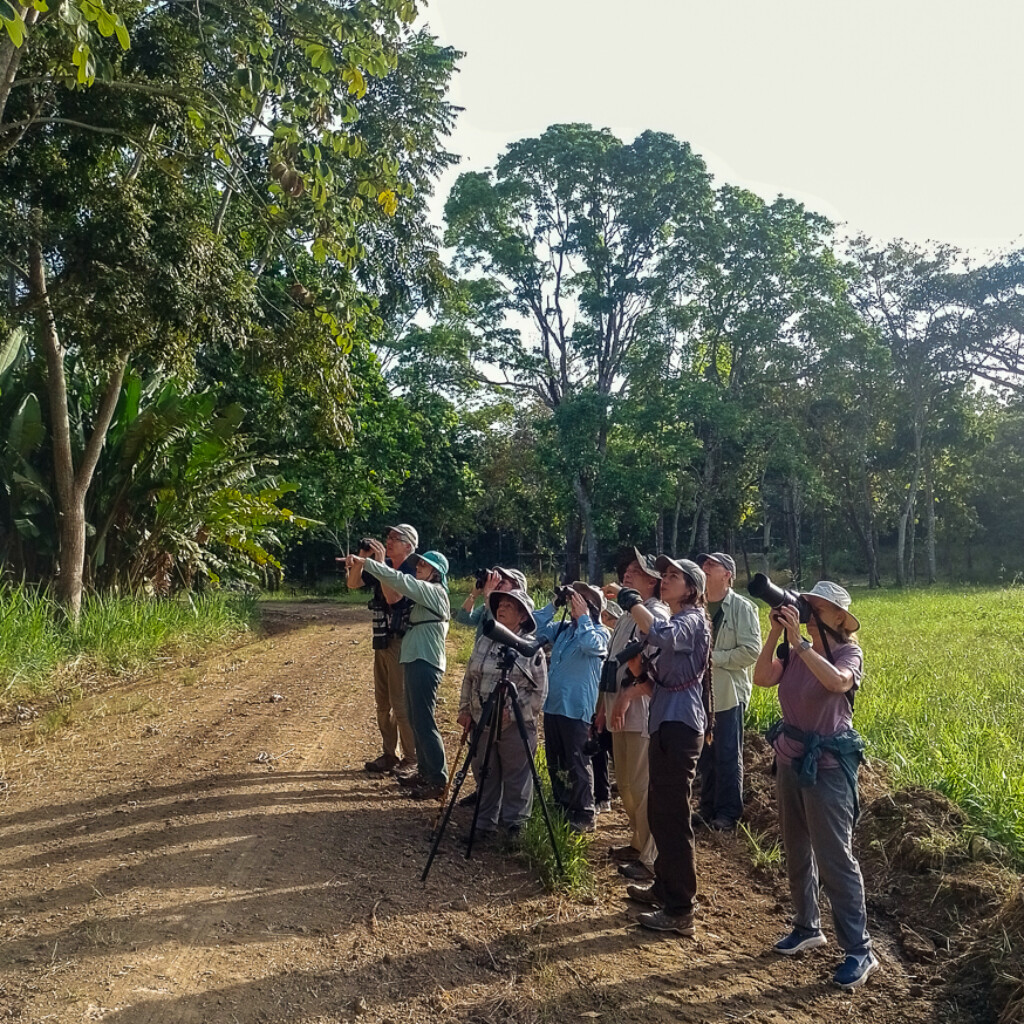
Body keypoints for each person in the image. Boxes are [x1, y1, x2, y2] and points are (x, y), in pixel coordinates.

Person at [752, 581, 879, 991]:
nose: (806, 611)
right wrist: (776, 633)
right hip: (790, 759)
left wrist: (801, 645)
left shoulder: (848, 652)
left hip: (827, 766)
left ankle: (860, 950)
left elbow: (838, 683)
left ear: (838, 618)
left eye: (816, 608)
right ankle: (807, 926)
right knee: (796, 847)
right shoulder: (793, 651)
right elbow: (760, 678)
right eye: (806, 604)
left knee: (834, 857)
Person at [611, 556, 713, 937]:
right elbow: (659, 674)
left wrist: (633, 602)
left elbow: (665, 638)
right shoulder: (676, 618)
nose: (666, 580)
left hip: (680, 725)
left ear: (692, 589)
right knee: (660, 809)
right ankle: (665, 889)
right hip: (666, 721)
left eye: (674, 576)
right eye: (665, 575)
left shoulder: (691, 620)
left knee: (672, 816)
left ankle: (681, 907)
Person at [348, 546, 451, 801]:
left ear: (436, 574)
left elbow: (400, 582)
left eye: (423, 566)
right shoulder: (427, 595)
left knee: (424, 722)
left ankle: (438, 779)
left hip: (425, 661)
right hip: (417, 659)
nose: (417, 568)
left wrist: (368, 563)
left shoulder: (434, 592)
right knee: (417, 720)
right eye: (417, 565)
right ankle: (426, 772)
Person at [599, 548, 670, 882]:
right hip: (617, 702)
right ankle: (638, 841)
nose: (627, 574)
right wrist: (603, 705)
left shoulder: (653, 612)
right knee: (625, 782)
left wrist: (630, 694)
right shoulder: (629, 613)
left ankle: (651, 856)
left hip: (639, 704)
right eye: (626, 569)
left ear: (654, 582)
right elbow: (612, 661)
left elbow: (658, 666)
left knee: (641, 783)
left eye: (636, 571)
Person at [456, 589, 548, 838]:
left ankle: (515, 828)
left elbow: (539, 692)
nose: (502, 607)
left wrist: (513, 713)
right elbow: (469, 677)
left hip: (515, 725)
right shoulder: (485, 640)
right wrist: (464, 710)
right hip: (481, 718)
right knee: (484, 772)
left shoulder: (531, 650)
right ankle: (484, 825)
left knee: (517, 775)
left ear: (522, 616)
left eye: (510, 605)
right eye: (501, 603)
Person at [534, 582, 609, 833]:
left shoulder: (599, 632)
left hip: (577, 709)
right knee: (556, 760)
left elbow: (592, 646)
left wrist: (585, 618)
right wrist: (555, 604)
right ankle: (562, 805)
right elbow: (534, 629)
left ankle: (585, 812)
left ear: (593, 608)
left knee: (578, 761)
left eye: (582, 599)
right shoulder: (564, 630)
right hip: (554, 705)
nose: (575, 602)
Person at [344, 525, 419, 777]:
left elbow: (393, 599)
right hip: (381, 638)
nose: (388, 542)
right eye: (387, 537)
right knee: (382, 702)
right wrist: (361, 560)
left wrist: (378, 564)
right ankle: (390, 753)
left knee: (400, 703)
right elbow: (353, 584)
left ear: (409, 546)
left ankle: (411, 757)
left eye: (395, 539)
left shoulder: (414, 569)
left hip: (402, 640)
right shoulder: (381, 563)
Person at [695, 552, 761, 831]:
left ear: (727, 575)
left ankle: (728, 812)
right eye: (704, 564)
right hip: (697, 693)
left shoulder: (742, 608)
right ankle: (706, 807)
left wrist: (713, 658)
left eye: (712, 565)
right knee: (703, 755)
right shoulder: (697, 606)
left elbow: (751, 651)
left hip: (728, 693)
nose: (705, 568)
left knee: (726, 753)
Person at [456, 567, 529, 638]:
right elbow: (462, 619)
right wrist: (474, 594)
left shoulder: (516, 612)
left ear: (516, 588)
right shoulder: (485, 606)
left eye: (502, 582)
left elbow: (494, 630)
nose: (497, 584)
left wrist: (488, 596)